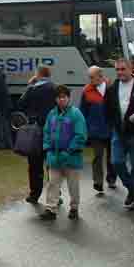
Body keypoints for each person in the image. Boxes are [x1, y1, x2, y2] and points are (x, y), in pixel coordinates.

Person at [39, 85, 87, 221]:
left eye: (64, 97)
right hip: (54, 156)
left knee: (73, 186)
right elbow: (46, 131)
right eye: (59, 97)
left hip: (72, 157)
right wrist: (47, 147)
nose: (61, 100)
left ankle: (74, 208)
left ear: (68, 98)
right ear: (55, 99)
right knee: (52, 183)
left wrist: (70, 150)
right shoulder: (52, 114)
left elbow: (80, 135)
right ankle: (50, 209)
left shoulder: (76, 114)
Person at [17, 65, 58, 204]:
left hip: (36, 130)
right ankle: (56, 195)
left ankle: (35, 194)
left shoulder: (32, 89)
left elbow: (20, 104)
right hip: (52, 130)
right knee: (52, 165)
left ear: (38, 74)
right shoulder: (55, 88)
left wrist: (29, 85)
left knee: (35, 165)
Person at [80, 66, 117, 193]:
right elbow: (82, 111)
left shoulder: (111, 88)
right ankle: (98, 182)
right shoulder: (86, 90)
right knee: (98, 156)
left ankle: (111, 179)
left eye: (92, 77)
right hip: (95, 130)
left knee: (112, 157)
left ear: (100, 75)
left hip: (111, 129)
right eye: (89, 77)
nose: (90, 80)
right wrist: (83, 128)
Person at [105, 58, 134, 210]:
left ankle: (132, 193)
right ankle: (132, 189)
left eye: (123, 69)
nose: (120, 72)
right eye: (117, 69)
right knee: (116, 162)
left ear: (131, 69)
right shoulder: (111, 89)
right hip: (118, 132)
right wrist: (112, 125)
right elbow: (107, 110)